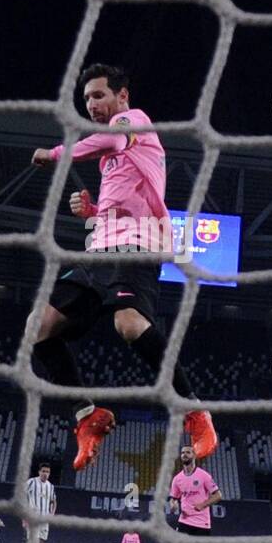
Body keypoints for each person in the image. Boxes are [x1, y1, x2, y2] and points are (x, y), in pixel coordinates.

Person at [28, 63, 215, 471]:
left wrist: (57, 154)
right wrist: (91, 210)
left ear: (122, 96)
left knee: (128, 325)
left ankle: (195, 413)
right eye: (87, 99)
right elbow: (124, 199)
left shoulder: (135, 123)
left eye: (98, 95)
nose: (92, 104)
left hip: (140, 243)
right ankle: (86, 416)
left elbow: (110, 140)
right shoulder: (113, 155)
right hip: (100, 248)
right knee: (39, 328)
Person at [168, 445, 223, 543]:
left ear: (194, 455)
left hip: (202, 523)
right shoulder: (177, 479)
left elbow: (218, 495)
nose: (184, 455)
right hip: (184, 521)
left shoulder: (204, 476)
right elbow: (173, 498)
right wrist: (173, 505)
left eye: (188, 452)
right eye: (182, 453)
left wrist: (203, 504)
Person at [23, 462, 57, 543]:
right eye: (43, 471)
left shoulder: (50, 486)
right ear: (39, 472)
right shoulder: (31, 482)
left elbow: (53, 501)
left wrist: (52, 514)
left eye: (48, 472)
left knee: (41, 541)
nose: (45, 474)